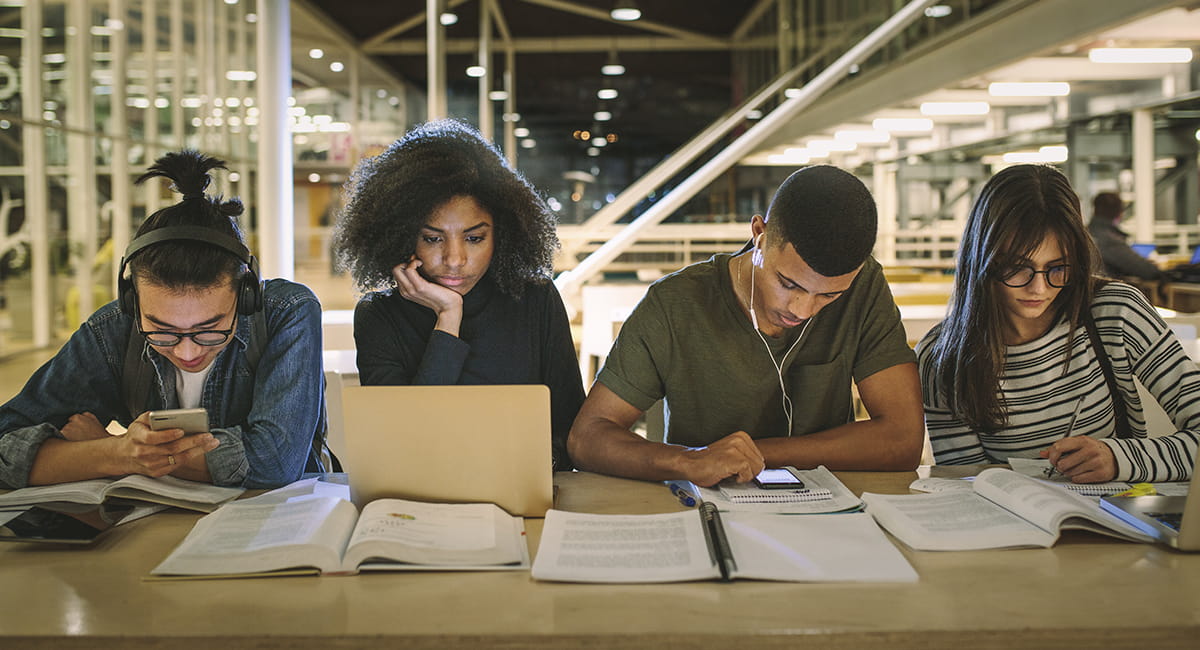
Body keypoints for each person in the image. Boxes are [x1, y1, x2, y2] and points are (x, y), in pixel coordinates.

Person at [567, 165, 924, 487]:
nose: (803, 309)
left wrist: (757, 454)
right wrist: (689, 460)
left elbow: (903, 441)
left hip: (830, 516)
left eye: (829, 296)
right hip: (706, 511)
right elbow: (587, 438)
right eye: (788, 283)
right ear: (759, 234)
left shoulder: (865, 287)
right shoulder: (675, 304)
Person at [0, 151, 328, 489]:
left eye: (210, 329)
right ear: (131, 300)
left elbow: (275, 463)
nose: (187, 353)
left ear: (246, 296)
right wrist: (117, 453)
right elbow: (6, 441)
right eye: (161, 331)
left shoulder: (286, 312)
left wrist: (105, 451)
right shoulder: (111, 330)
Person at [918, 165, 1197, 483]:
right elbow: (966, 483)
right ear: (983, 259)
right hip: (1014, 527)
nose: (1038, 289)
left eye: (1057, 268)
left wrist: (1121, 459)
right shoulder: (942, 356)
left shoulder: (1116, 313)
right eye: (1017, 268)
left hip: (1119, 526)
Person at [332, 119, 584, 471]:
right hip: (421, 500)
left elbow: (573, 432)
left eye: (474, 238)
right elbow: (405, 441)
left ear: (503, 234)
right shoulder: (379, 316)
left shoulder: (534, 300)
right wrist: (448, 317)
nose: (454, 259)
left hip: (521, 492)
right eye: (433, 238)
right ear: (403, 236)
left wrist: (536, 464)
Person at [1087, 191, 1162, 281]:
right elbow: (1147, 270)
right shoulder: (1110, 240)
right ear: (1119, 213)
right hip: (1107, 292)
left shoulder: (1085, 233)